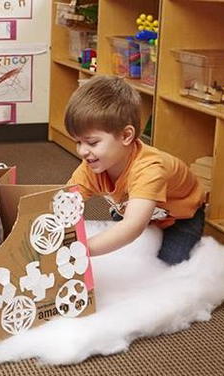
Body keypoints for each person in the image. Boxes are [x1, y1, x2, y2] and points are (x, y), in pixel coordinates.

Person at [65, 75, 206, 265]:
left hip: (179, 219)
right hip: (134, 208)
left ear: (125, 135)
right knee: (122, 256)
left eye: (92, 142)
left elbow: (132, 227)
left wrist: (81, 250)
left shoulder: (150, 169)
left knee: (164, 268)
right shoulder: (91, 167)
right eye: (78, 142)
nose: (82, 151)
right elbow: (63, 203)